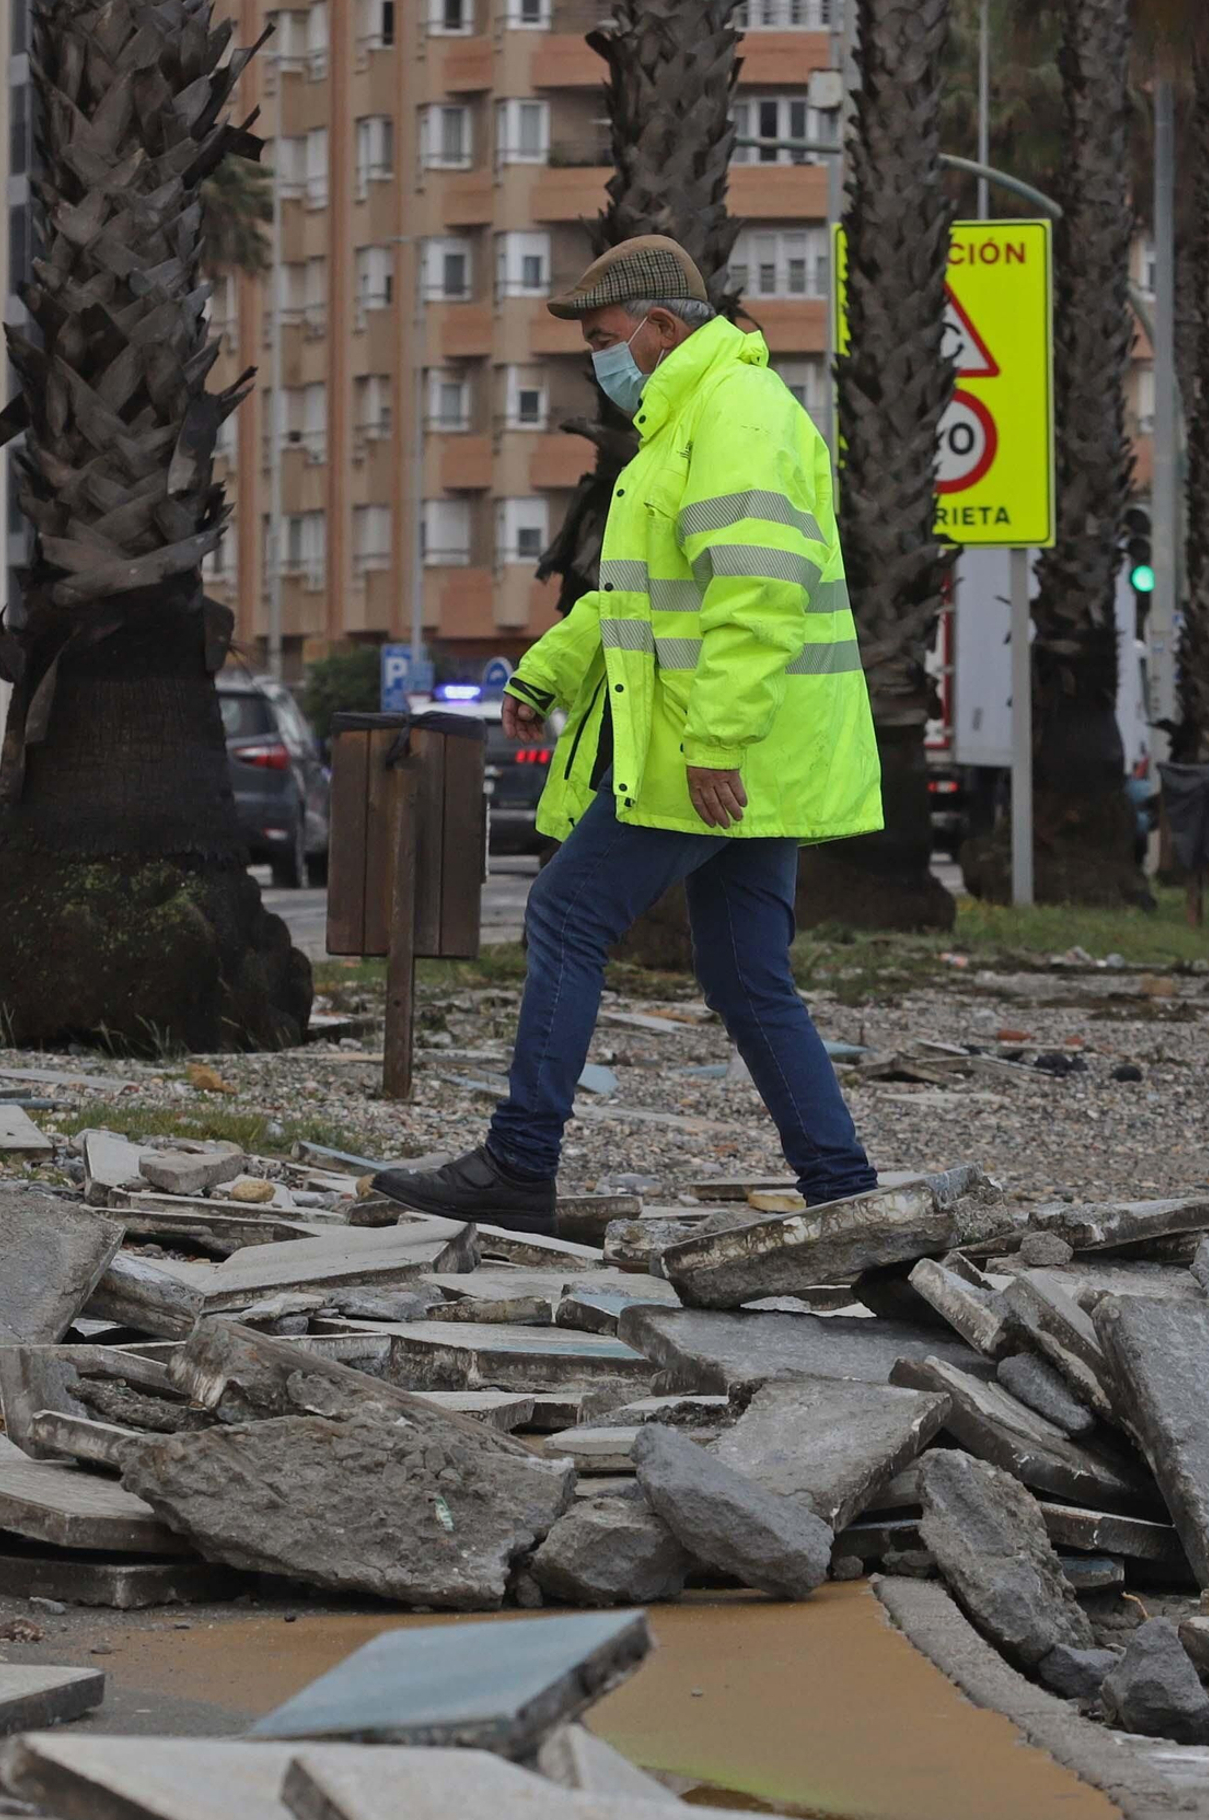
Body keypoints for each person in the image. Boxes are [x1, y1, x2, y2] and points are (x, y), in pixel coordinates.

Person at [373, 232, 883, 1236]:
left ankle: (520, 1161)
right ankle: (845, 1194)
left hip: (717, 757)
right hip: (740, 754)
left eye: (607, 338)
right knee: (745, 973)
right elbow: (633, 602)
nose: (602, 361)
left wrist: (715, 741)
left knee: (565, 915)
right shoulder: (691, 422)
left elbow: (756, 596)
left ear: (660, 326)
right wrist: (548, 672)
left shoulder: (733, 416)